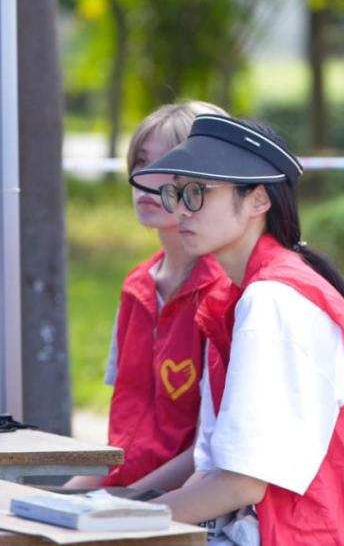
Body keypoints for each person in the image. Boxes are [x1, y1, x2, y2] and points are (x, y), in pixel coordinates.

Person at [131, 115, 344, 545]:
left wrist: (120, 521)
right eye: (177, 192)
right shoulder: (243, 295)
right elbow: (212, 471)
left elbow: (241, 484)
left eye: (199, 192)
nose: (182, 208)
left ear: (258, 200)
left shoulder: (273, 300)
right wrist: (122, 511)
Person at [81, 102, 232, 492]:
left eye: (167, 163)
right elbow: (122, 443)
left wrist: (124, 504)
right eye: (141, 161)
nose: (145, 177)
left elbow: (209, 452)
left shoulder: (225, 295)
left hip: (185, 505)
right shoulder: (137, 286)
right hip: (126, 494)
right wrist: (66, 497)